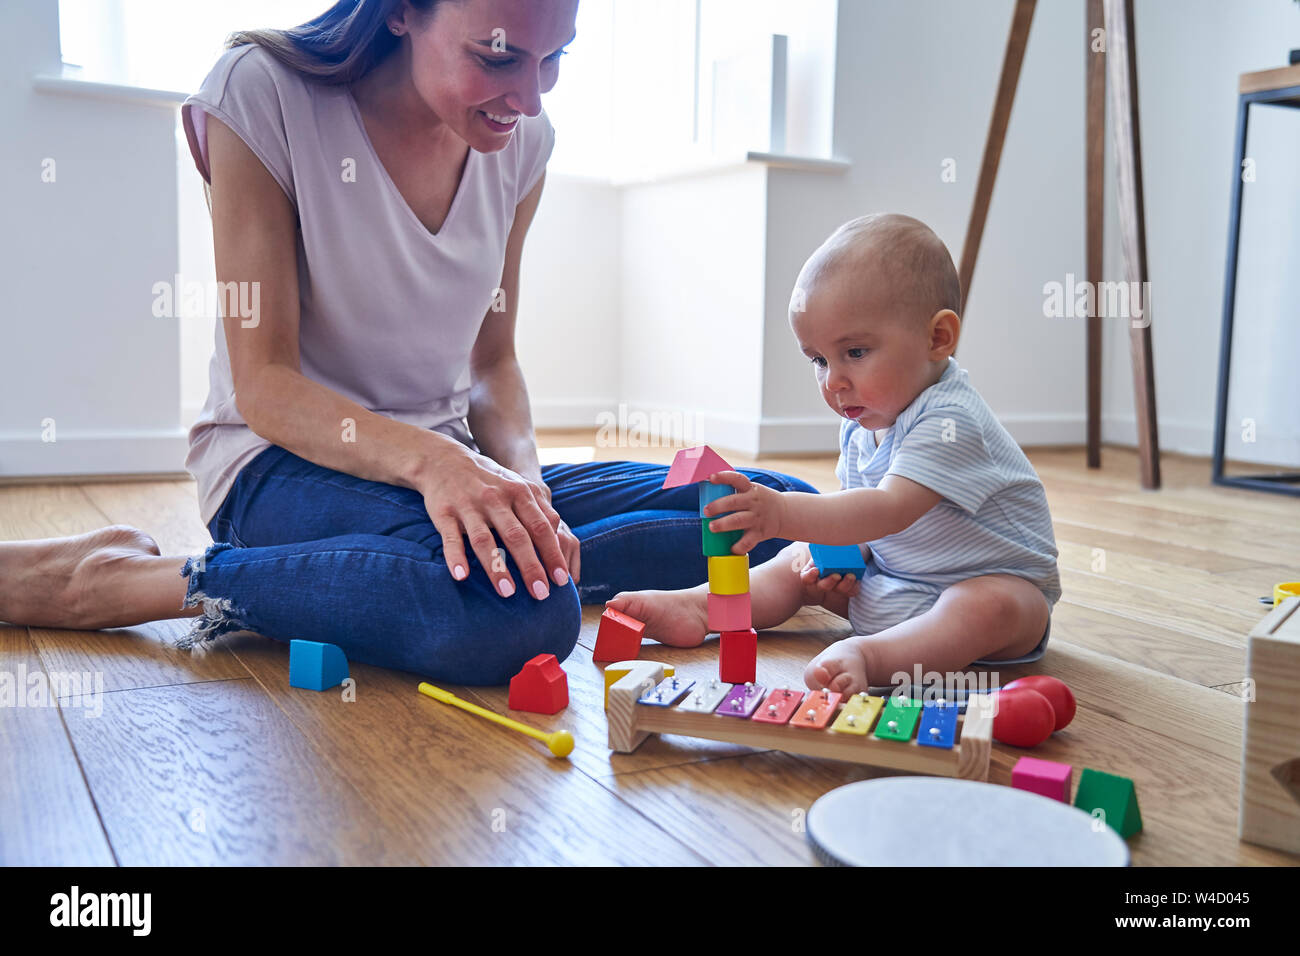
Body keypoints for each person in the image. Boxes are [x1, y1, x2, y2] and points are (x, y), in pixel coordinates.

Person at [0, 0, 816, 685]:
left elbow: (493, 365)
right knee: (519, 616)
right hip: (277, 464)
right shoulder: (259, 94)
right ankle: (140, 581)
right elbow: (265, 384)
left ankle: (433, 566)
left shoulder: (525, 142)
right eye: (498, 58)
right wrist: (438, 466)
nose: (528, 99)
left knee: (778, 510)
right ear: (398, 12)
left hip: (445, 460)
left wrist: (523, 490)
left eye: (553, 58)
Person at [606, 213, 1062, 694]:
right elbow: (858, 521)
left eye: (856, 353)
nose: (834, 381)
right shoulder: (863, 422)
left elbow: (886, 510)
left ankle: (871, 656)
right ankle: (703, 606)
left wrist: (780, 511)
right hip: (895, 587)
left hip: (992, 602)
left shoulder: (952, 420)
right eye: (819, 360)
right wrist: (839, 561)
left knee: (990, 605)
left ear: (938, 338)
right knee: (799, 559)